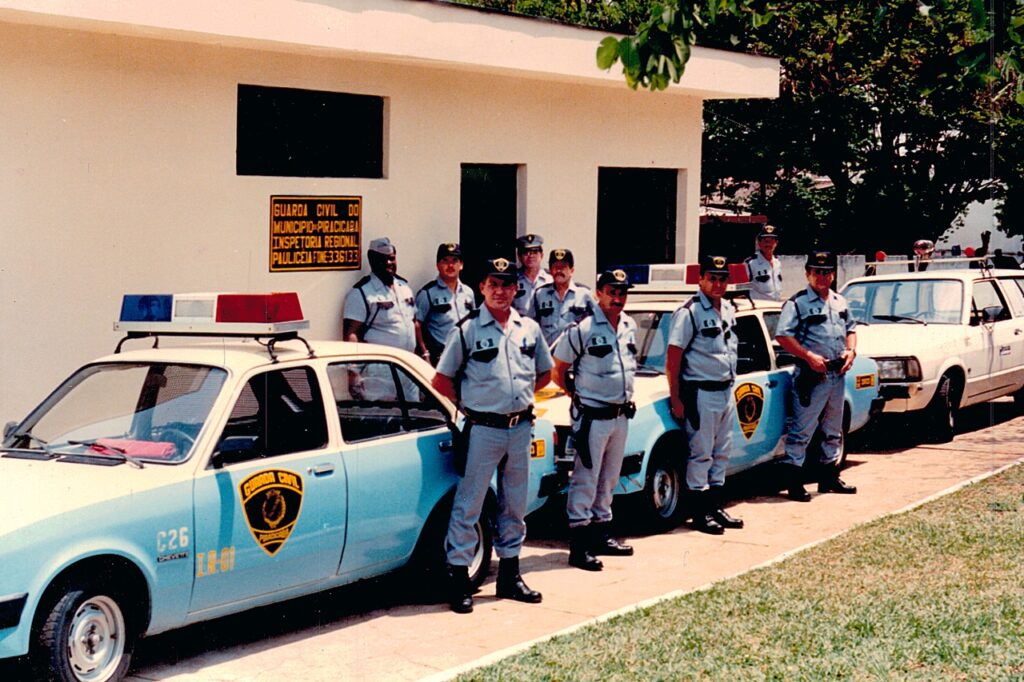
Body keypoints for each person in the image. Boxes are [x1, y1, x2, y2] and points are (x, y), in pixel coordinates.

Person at [432, 256, 553, 614]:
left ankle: (510, 576)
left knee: (515, 504)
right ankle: (458, 579)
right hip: (483, 429)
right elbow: (441, 380)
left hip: (520, 429)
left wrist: (518, 396)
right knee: (469, 503)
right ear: (482, 288)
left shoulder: (528, 328)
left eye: (507, 284)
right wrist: (471, 407)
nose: (500, 291)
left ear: (517, 288)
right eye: (493, 284)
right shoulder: (467, 330)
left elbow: (544, 373)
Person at [552, 268, 637, 571]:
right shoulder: (583, 329)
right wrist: (575, 395)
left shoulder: (629, 325)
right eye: (611, 292)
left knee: (610, 477)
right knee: (586, 478)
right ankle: (579, 545)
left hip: (620, 413)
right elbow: (558, 368)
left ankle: (602, 533)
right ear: (599, 293)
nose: (617, 298)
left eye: (622, 292)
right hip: (592, 416)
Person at [665, 255, 744, 535]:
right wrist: (676, 398)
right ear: (701, 279)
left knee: (721, 452)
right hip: (700, 391)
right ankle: (699, 514)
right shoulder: (689, 312)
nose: (718, 283)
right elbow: (674, 357)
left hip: (725, 390)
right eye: (712, 278)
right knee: (701, 454)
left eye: (723, 278)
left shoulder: (729, 309)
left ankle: (715, 507)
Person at [775, 251, 858, 501]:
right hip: (811, 377)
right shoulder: (797, 303)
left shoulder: (839, 301)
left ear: (833, 274)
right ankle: (794, 483)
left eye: (826, 272)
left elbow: (851, 329)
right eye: (816, 272)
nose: (822, 277)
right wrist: (808, 356)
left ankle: (829, 477)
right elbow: (783, 336)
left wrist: (851, 351)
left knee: (833, 429)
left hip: (836, 373)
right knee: (802, 431)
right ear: (807, 273)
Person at [343, 237, 419, 353]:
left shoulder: (404, 287)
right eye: (382, 259)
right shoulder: (361, 292)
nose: (388, 263)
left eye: (392, 259)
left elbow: (413, 322)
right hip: (379, 366)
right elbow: (351, 334)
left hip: (406, 363)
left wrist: (424, 353)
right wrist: (354, 368)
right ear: (372, 260)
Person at [415, 242, 476, 365]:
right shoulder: (427, 293)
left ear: (461, 265)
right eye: (445, 260)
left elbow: (474, 322)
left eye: (455, 260)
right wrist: (425, 353)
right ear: (438, 265)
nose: (450, 265)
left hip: (466, 356)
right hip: (441, 357)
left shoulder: (468, 292)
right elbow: (417, 325)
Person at [531, 248, 595, 346]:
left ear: (572, 270)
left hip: (576, 356)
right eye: (555, 267)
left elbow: (597, 323)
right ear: (550, 270)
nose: (559, 270)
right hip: (549, 355)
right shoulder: (540, 294)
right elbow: (534, 326)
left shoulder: (585, 294)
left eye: (563, 267)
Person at [513, 233, 553, 317]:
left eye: (534, 252)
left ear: (541, 255)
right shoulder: (512, 280)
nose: (530, 256)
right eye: (525, 252)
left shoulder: (551, 279)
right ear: (519, 257)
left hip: (545, 328)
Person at [745, 224, 783, 301]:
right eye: (765, 240)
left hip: (776, 307)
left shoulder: (777, 263)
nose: (768, 243)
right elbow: (741, 291)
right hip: (760, 308)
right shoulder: (750, 264)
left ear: (776, 243)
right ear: (759, 243)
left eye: (771, 239)